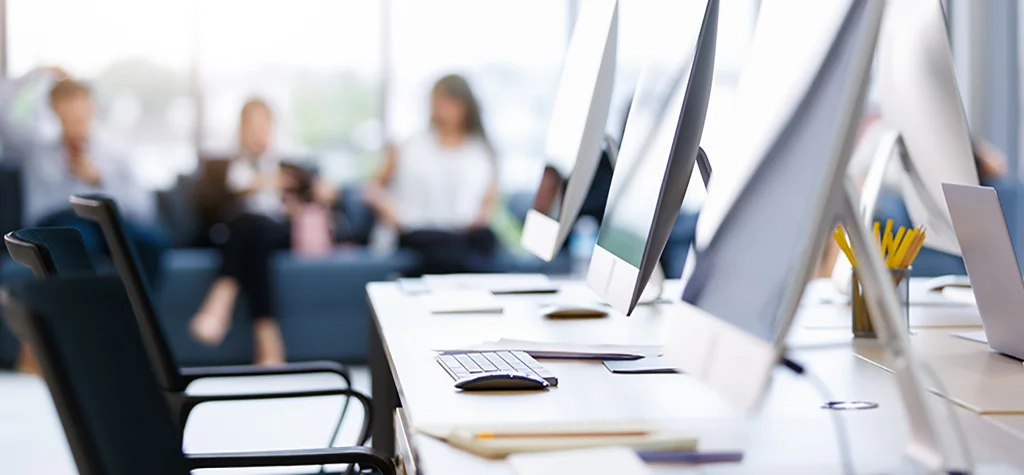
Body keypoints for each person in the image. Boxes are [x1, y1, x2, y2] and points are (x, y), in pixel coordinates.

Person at [189, 98, 337, 366]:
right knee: (249, 227)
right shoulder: (219, 166)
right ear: (241, 128)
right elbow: (205, 210)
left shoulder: (289, 167)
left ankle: (221, 299)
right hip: (232, 234)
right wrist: (251, 186)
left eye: (264, 125)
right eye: (252, 125)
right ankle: (268, 339)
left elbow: (327, 197)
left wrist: (307, 197)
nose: (259, 132)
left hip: (276, 233)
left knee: (255, 226)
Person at [0, 66, 166, 285]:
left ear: (91, 108)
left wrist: (100, 181)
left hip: (109, 220)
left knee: (150, 241)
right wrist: (37, 73)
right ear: (54, 109)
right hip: (56, 221)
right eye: (68, 112)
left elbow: (143, 209)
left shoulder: (114, 154)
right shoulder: (35, 149)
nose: (76, 119)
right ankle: (82, 312)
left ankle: (136, 313)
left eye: (80, 110)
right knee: (76, 240)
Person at [365, 74, 499, 276]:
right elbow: (372, 189)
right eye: (437, 100)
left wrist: (479, 219)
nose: (440, 108)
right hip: (417, 232)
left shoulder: (481, 153)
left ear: (464, 105)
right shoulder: (408, 146)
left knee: (483, 238)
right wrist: (392, 213)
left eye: (448, 101)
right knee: (446, 248)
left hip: (463, 234)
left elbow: (488, 205)